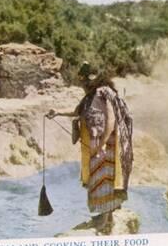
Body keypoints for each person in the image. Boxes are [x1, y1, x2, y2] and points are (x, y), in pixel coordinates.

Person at [46, 61, 133, 233]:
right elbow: (78, 112)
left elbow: (111, 119)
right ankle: (104, 215)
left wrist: (102, 143)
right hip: (94, 145)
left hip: (106, 145)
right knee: (96, 180)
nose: (84, 83)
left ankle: (105, 219)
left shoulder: (104, 92)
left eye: (85, 80)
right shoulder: (90, 96)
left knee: (104, 178)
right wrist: (57, 112)